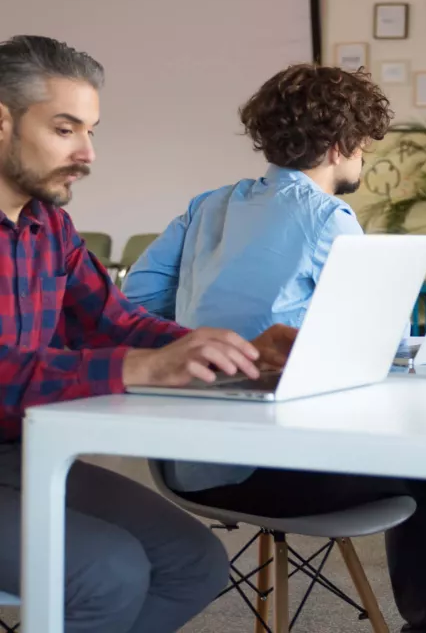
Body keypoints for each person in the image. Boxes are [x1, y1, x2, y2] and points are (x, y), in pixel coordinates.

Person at [125, 62, 426, 633]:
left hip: (187, 461)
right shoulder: (328, 217)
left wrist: (217, 341)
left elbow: (138, 302)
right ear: (342, 145)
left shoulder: (207, 206)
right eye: (364, 147)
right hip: (278, 464)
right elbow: (385, 345)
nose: (362, 160)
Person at [0, 34, 296, 633]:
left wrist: (225, 351)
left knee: (195, 563)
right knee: (108, 572)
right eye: (65, 129)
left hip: (20, 451)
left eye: (92, 130)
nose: (87, 152)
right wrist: (137, 367)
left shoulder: (48, 225)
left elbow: (113, 322)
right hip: (22, 448)